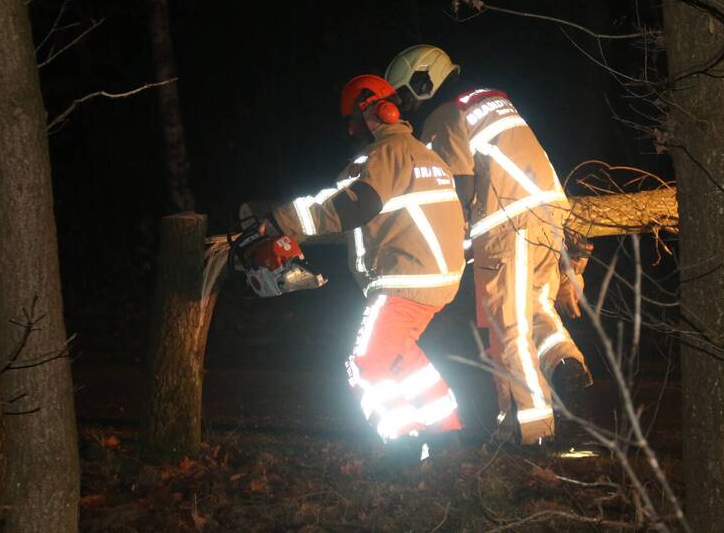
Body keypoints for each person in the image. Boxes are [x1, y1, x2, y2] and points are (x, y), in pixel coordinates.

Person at [385, 45, 594, 447]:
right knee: (535, 306)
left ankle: (531, 432)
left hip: (506, 223)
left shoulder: (444, 114)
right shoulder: (494, 101)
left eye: (406, 96)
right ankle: (566, 363)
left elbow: (455, 187)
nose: (405, 107)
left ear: (424, 81)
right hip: (551, 212)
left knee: (506, 328)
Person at [251, 74, 467, 455]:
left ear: (373, 112)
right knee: (399, 356)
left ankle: (403, 447)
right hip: (438, 277)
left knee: (365, 364)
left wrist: (284, 221)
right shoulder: (427, 155)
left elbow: (354, 205)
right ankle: (448, 433)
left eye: (352, 122)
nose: (351, 131)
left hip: (406, 277)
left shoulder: (388, 154)